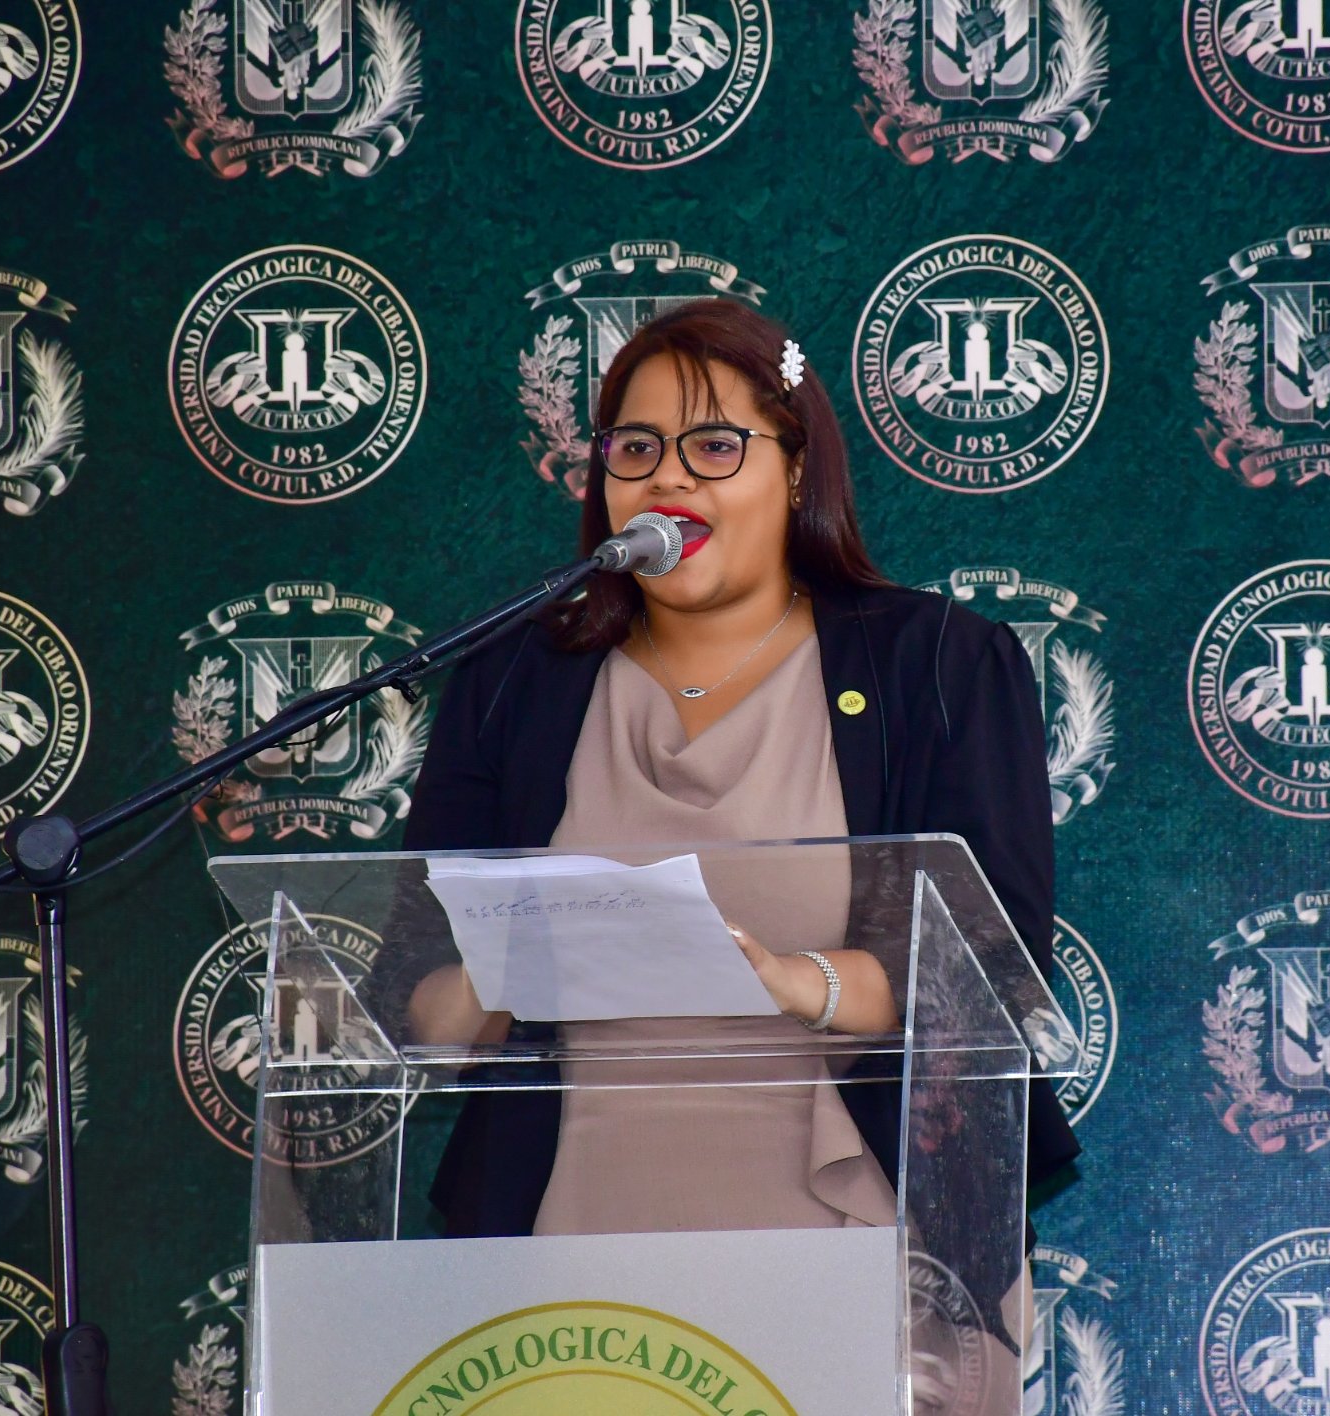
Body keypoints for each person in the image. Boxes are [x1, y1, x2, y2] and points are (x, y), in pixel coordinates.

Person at [390, 297, 1078, 1252]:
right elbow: (413, 989)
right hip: (568, 1232)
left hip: (859, 1220)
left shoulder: (935, 667)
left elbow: (990, 971)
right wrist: (510, 968)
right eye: (636, 448)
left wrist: (792, 981)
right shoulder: (514, 681)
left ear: (795, 469)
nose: (666, 476)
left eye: (714, 447)